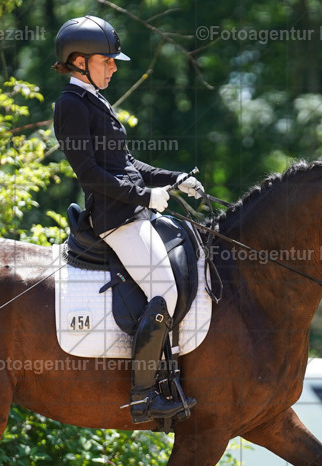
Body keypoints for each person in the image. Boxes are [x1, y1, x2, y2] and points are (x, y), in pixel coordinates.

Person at [52, 15, 202, 424]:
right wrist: (145, 197)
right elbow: (92, 176)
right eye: (108, 60)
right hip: (116, 219)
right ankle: (144, 397)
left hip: (133, 211)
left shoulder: (95, 100)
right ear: (80, 62)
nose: (115, 66)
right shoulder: (70, 106)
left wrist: (175, 179)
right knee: (165, 293)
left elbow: (127, 163)